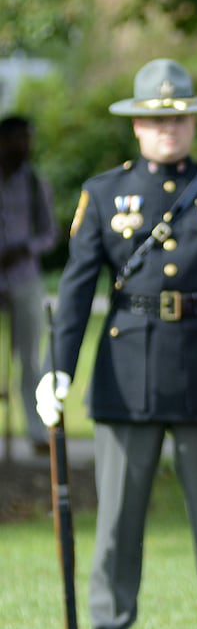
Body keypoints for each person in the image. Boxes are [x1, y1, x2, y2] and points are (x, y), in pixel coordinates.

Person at [34, 59, 197, 629]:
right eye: (156, 120)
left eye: (178, 119)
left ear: (192, 123)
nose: (168, 129)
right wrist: (58, 366)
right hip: (127, 365)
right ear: (137, 125)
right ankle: (109, 628)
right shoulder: (103, 193)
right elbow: (78, 290)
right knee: (119, 515)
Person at [0, 115, 58, 454]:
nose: (24, 147)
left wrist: (24, 249)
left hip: (24, 276)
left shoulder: (35, 181)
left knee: (30, 357)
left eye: (28, 139)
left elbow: (50, 233)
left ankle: (36, 432)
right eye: (17, 140)